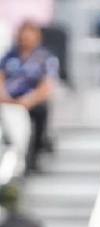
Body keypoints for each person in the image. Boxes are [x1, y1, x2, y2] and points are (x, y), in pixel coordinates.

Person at [0, 21, 58, 172]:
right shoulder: (9, 56)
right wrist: (5, 97)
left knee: (41, 111)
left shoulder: (45, 57)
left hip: (31, 101)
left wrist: (28, 101)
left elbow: (47, 85)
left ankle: (34, 156)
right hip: (7, 101)